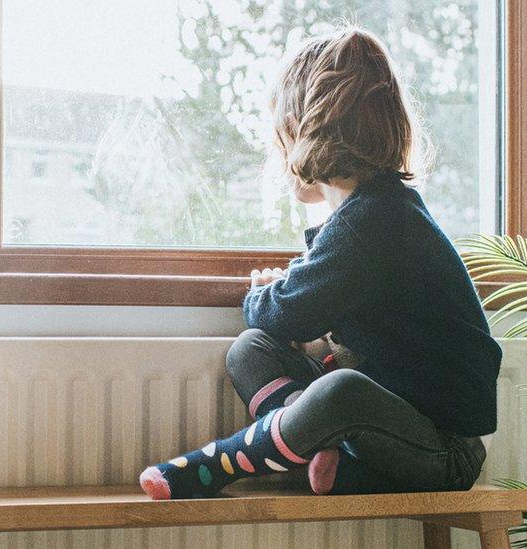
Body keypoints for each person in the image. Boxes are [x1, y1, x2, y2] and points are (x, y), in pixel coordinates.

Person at [139, 26, 500, 499]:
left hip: (442, 451)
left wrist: (265, 293)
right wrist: (290, 299)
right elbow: (315, 306)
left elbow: (290, 311)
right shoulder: (368, 218)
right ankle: (322, 456)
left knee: (341, 391)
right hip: (377, 437)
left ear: (307, 135)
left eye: (281, 140)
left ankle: (221, 463)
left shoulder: (376, 219)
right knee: (251, 350)